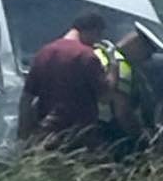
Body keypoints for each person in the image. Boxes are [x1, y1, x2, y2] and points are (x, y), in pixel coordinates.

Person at [18, 11, 109, 148]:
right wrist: (113, 67)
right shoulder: (87, 56)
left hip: (45, 135)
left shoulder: (44, 52)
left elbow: (26, 98)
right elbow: (105, 97)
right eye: (97, 36)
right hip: (77, 138)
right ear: (93, 31)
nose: (96, 42)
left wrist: (24, 133)